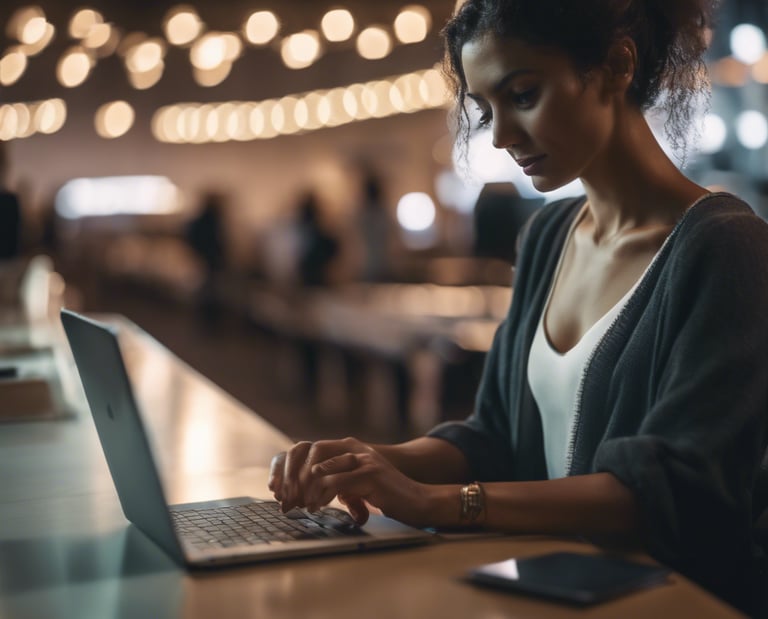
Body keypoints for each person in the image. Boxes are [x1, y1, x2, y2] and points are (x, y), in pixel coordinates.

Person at [269, 0, 768, 612]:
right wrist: (366, 461)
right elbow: (494, 434)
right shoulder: (549, 236)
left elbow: (669, 491)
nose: (502, 136)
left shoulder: (726, 247)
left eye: (524, 95)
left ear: (617, 65)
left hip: (671, 603)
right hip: (549, 590)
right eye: (487, 110)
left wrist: (438, 502)